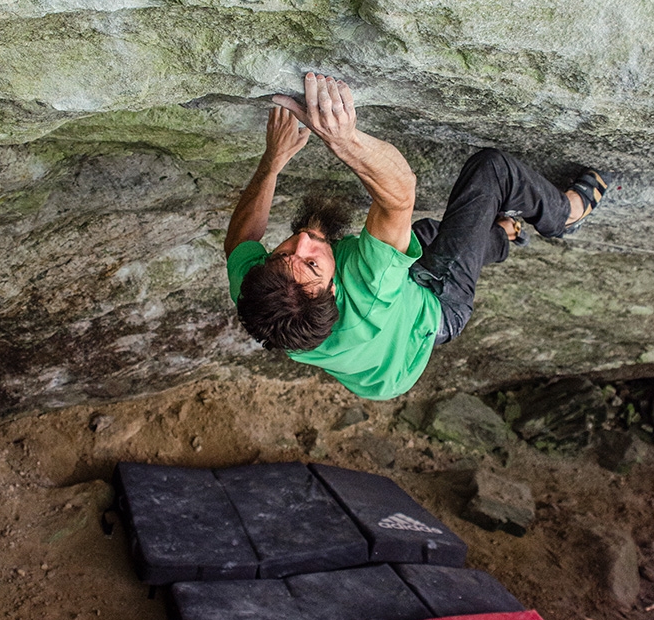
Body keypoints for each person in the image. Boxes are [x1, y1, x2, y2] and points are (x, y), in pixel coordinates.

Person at [224, 72, 610, 400]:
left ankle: (501, 237)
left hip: (378, 377)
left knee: (425, 236)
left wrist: (272, 162)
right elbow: (399, 192)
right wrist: (345, 140)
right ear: (333, 291)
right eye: (312, 262)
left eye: (283, 253)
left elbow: (238, 243)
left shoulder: (267, 296)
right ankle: (565, 216)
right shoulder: (368, 285)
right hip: (437, 315)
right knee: (491, 171)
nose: (305, 239)